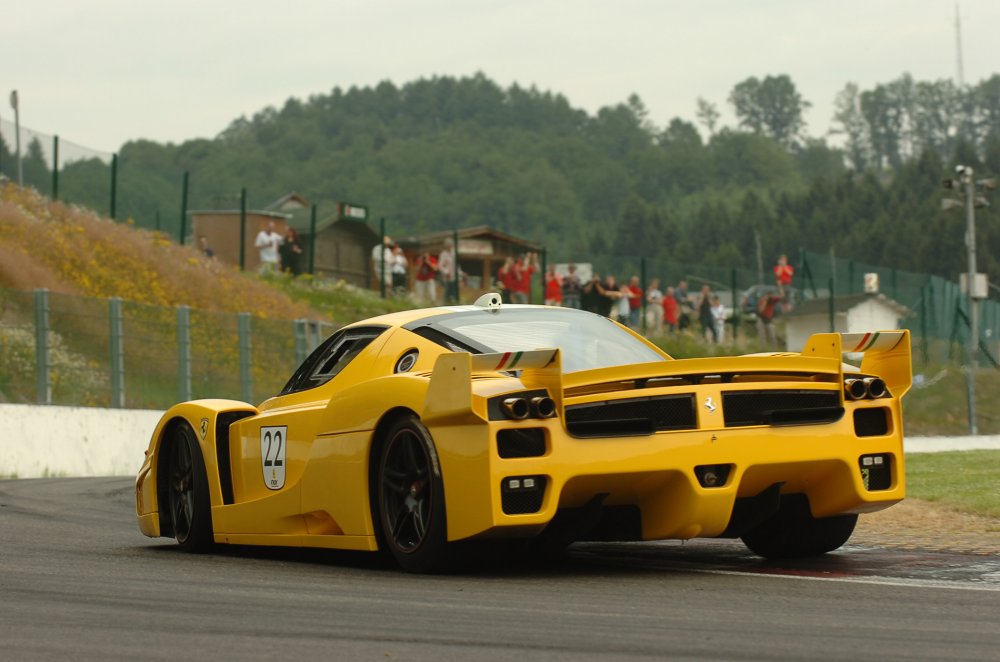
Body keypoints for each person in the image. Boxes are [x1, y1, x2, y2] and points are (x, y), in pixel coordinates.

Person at [438, 238, 458, 304]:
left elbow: (455, 264)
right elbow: (440, 266)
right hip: (447, 277)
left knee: (453, 293)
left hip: (454, 276)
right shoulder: (443, 254)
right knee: (447, 292)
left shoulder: (453, 253)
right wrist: (446, 272)